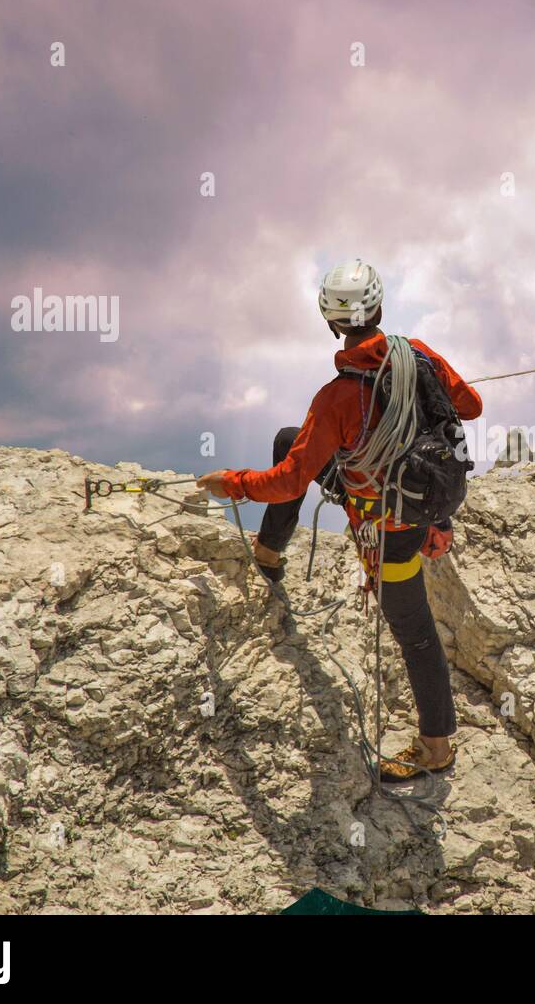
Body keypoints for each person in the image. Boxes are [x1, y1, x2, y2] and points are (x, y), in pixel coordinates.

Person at [196, 259, 482, 782]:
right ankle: (268, 552)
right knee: (288, 436)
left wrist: (231, 483)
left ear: (331, 321)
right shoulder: (419, 356)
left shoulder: (335, 399)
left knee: (414, 631)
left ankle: (437, 746)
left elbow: (288, 480)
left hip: (387, 524)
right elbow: (472, 405)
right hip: (423, 502)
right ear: (379, 308)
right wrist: (423, 391)